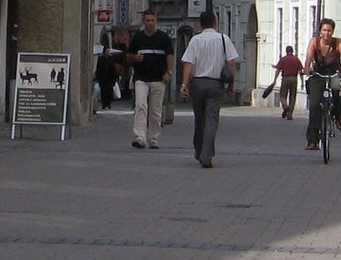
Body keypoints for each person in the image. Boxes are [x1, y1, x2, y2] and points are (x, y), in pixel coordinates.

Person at [179, 10, 239, 168]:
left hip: (197, 84)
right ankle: (206, 155)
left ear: (200, 24)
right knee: (211, 120)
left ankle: (199, 151)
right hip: (215, 85)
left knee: (199, 119)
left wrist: (184, 85)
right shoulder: (223, 39)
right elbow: (231, 63)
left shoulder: (195, 40)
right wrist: (232, 84)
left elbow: (188, 64)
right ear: (215, 23)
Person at [302, 19, 341, 152]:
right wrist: (306, 68)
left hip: (334, 73)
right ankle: (312, 140)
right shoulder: (314, 42)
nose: (327, 33)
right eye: (324, 30)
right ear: (320, 31)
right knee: (315, 105)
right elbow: (308, 58)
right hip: (318, 74)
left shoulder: (338, 43)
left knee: (336, 92)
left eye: (329, 30)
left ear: (332, 31)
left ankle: (338, 117)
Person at [127, 11, 176, 149]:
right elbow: (129, 55)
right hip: (141, 78)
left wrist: (168, 72)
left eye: (152, 20)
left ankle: (153, 138)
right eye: (147, 20)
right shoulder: (137, 37)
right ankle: (140, 137)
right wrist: (134, 58)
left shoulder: (163, 38)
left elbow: (170, 56)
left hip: (158, 78)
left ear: (156, 21)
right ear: (143, 22)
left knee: (155, 110)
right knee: (140, 105)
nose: (150, 23)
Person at [272, 45, 304, 120]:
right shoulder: (296, 59)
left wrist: (275, 80)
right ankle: (290, 114)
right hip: (294, 79)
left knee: (282, 96)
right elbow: (301, 72)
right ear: (292, 51)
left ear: (286, 51)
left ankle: (285, 107)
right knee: (293, 97)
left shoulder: (283, 59)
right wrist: (302, 82)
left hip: (285, 78)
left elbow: (278, 70)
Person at [94, 28, 119, 110]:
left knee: (109, 92)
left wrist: (115, 79)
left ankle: (109, 104)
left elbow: (113, 69)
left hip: (110, 79)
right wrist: (97, 78)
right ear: (104, 52)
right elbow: (98, 68)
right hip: (103, 79)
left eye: (109, 51)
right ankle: (104, 104)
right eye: (107, 51)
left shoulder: (111, 59)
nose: (109, 52)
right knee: (104, 92)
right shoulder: (101, 59)